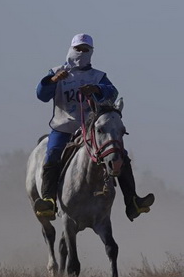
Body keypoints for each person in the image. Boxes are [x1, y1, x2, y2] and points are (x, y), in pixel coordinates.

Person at [33, 33, 154, 221]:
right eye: (78, 49)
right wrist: (53, 80)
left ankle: (132, 201)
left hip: (92, 129)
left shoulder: (98, 76)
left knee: (119, 154)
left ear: (91, 52)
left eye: (85, 50)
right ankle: (49, 200)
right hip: (63, 127)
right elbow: (41, 95)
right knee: (52, 154)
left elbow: (112, 93)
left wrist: (97, 89)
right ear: (71, 49)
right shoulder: (57, 72)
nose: (81, 53)